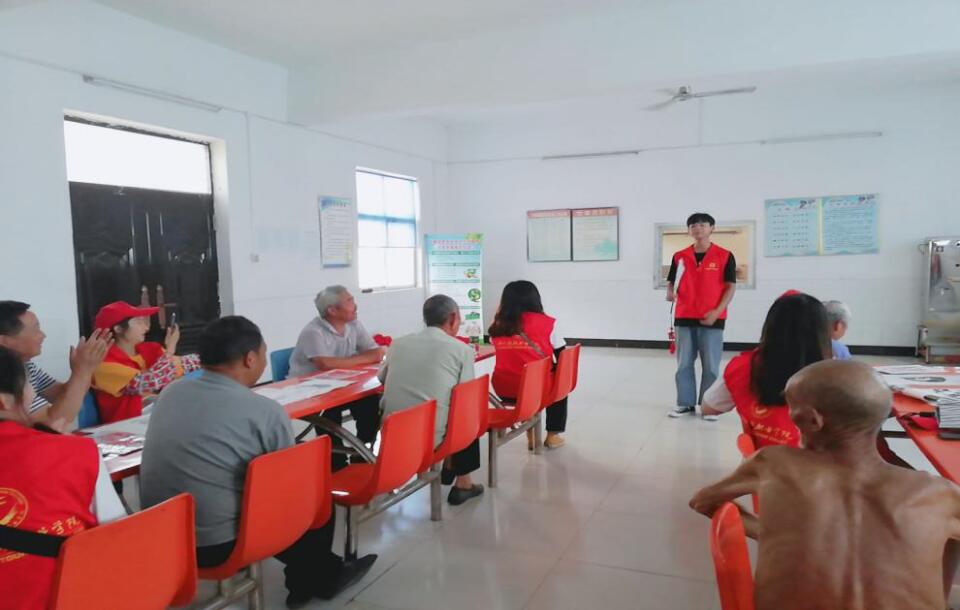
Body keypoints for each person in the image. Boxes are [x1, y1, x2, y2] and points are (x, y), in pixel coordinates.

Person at [140, 316, 376, 608]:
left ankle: (313, 573)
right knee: (314, 492)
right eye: (264, 353)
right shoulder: (263, 410)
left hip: (162, 538)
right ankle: (315, 579)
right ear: (249, 359)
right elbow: (289, 483)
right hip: (218, 546)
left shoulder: (170, 393)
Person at [690, 359, 960, 610]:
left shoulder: (772, 464)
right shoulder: (940, 494)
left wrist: (769, 532)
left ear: (812, 420)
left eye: (790, 405)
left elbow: (702, 501)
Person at [0, 346, 126, 610]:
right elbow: (117, 533)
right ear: (4, 402)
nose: (32, 394)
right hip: (66, 599)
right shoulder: (75, 452)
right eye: (28, 387)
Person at [378, 294, 484, 505]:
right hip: (431, 438)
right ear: (452, 318)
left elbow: (382, 378)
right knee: (468, 412)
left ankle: (449, 466)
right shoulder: (461, 350)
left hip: (392, 434)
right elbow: (465, 395)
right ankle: (463, 483)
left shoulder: (398, 344)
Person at [700, 291, 829, 447]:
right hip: (822, 462)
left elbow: (708, 407)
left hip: (762, 460)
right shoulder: (839, 378)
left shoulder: (743, 368)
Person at [288, 286, 385, 468]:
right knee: (328, 414)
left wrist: (348, 361)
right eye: (349, 301)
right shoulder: (313, 332)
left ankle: (362, 455)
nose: (355, 305)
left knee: (370, 403)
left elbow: (377, 352)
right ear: (332, 310)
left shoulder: (354, 324)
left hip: (343, 385)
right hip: (311, 391)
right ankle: (336, 465)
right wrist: (362, 358)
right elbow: (324, 364)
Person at [666, 212, 737, 421]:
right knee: (683, 364)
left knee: (711, 365)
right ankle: (684, 403)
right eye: (693, 226)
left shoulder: (724, 255)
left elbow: (730, 287)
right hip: (684, 316)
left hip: (712, 317)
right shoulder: (679, 256)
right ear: (689, 230)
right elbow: (672, 281)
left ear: (712, 228)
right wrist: (670, 292)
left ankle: (709, 406)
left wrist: (717, 311)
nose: (697, 228)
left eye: (702, 225)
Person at [0, 300, 112, 431]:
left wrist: (85, 368)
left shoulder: (27, 366)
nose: (43, 335)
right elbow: (53, 424)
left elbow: (62, 395)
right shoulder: (5, 375)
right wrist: (82, 372)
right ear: (4, 341)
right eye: (35, 329)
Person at [488, 280, 568, 449]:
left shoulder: (497, 325)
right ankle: (552, 436)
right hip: (537, 388)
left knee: (526, 381)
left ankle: (531, 431)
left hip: (504, 387)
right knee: (559, 388)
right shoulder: (547, 323)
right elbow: (562, 354)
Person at [90, 301, 199, 424]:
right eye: (138, 322)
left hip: (155, 418)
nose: (146, 328)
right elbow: (151, 381)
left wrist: (210, 357)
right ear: (118, 329)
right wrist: (170, 349)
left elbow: (181, 364)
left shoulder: (148, 350)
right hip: (125, 427)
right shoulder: (103, 363)